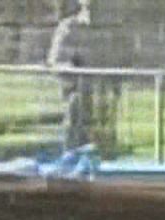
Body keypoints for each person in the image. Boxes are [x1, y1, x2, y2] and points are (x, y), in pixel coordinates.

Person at [47, 0, 95, 151]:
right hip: (74, 99)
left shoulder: (107, 31)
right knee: (73, 141)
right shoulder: (68, 28)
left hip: (100, 104)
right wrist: (75, 69)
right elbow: (55, 63)